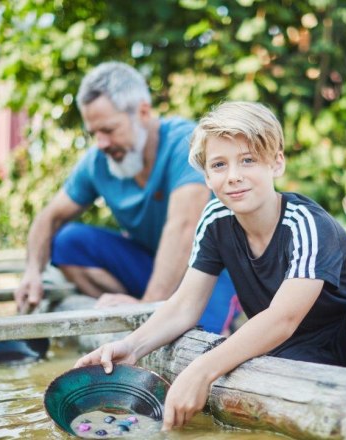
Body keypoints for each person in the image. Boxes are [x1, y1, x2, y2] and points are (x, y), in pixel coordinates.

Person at [75, 102, 346, 431]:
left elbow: (284, 318)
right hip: (288, 355)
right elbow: (184, 305)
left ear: (276, 163)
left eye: (248, 160)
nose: (234, 176)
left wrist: (201, 370)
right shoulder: (216, 220)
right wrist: (131, 347)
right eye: (219, 165)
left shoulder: (307, 223)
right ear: (207, 177)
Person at [13, 61, 238, 334]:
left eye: (108, 130)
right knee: (68, 241)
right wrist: (32, 273)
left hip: (212, 271)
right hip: (152, 266)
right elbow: (49, 217)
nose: (101, 143)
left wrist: (149, 308)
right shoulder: (98, 161)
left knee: (198, 336)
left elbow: (183, 228)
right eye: (94, 133)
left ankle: (149, 307)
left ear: (143, 112)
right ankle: (138, 305)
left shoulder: (185, 143)